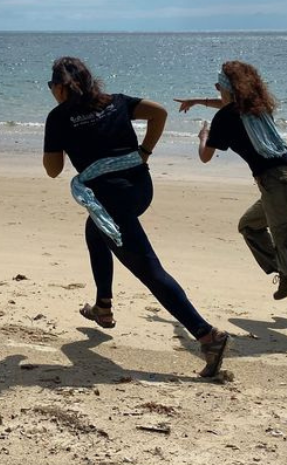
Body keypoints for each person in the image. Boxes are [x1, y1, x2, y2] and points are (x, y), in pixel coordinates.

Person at [43, 56, 229, 377]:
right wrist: (144, 151)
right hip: (140, 188)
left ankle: (207, 335)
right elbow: (159, 112)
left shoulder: (59, 117)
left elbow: (53, 170)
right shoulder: (115, 102)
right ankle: (103, 307)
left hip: (111, 198)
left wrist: (58, 144)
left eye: (51, 86)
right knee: (95, 230)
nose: (51, 91)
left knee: (148, 269)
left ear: (60, 87)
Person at [177, 60, 287, 347]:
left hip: (277, 188)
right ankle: (283, 272)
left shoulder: (226, 119)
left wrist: (203, 136)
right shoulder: (258, 109)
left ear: (230, 89)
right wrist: (200, 101)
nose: (216, 89)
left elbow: (205, 156)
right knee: (250, 225)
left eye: (219, 86)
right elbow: (228, 106)